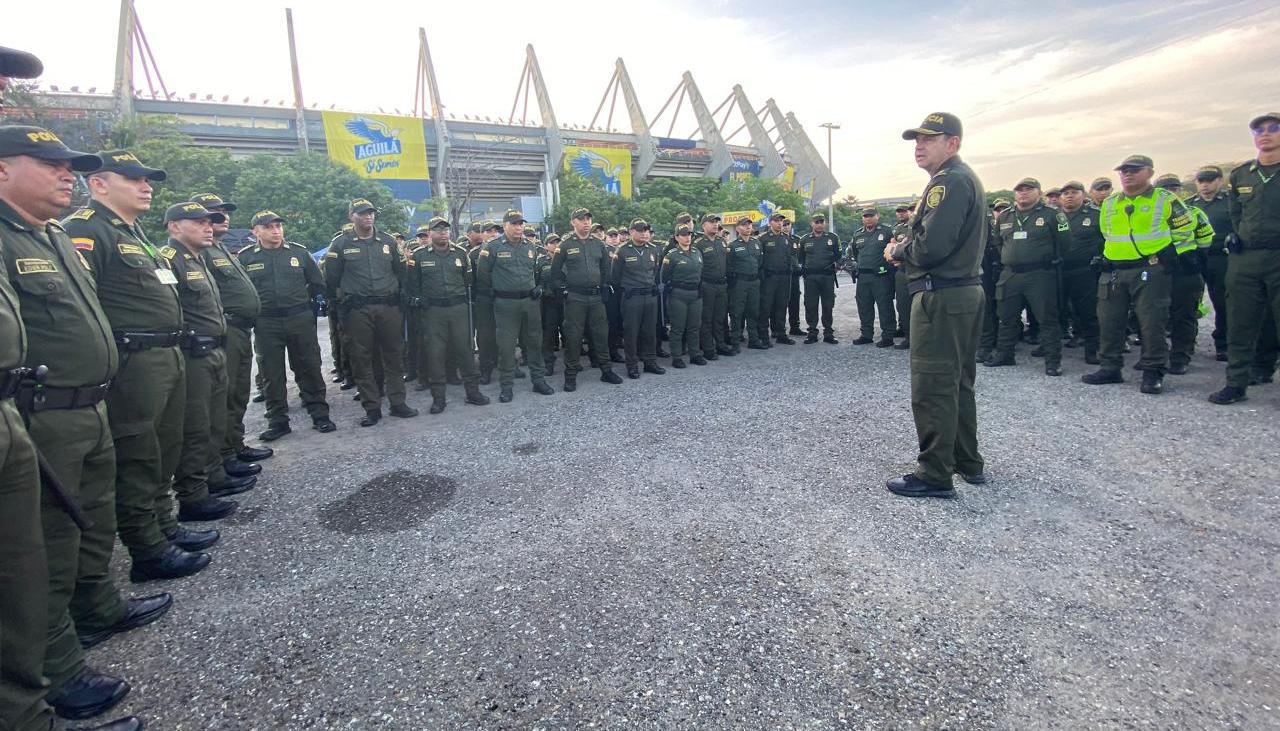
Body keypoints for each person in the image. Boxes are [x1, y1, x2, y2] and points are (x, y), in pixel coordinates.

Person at [0, 123, 164, 728]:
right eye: (49, 164)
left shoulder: (50, 237)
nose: (63, 174)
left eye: (69, 165)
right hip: (43, 411)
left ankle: (96, 610)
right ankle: (54, 674)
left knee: (84, 524)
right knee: (33, 553)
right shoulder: (34, 235)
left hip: (88, 402)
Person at [62, 151, 215, 582]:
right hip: (134, 363)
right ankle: (147, 550)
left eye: (147, 179)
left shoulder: (135, 233)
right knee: (137, 456)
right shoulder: (85, 231)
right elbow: (81, 303)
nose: (145, 186)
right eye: (132, 179)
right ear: (98, 185)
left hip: (164, 356)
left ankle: (163, 527)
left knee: (162, 450)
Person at [885, 112, 986, 498]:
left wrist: (898, 249)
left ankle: (935, 474)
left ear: (953, 143)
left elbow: (931, 247)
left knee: (933, 385)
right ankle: (966, 461)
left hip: (942, 295)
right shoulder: (960, 179)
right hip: (959, 292)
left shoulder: (949, 182)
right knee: (958, 382)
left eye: (930, 138)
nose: (920, 146)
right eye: (917, 140)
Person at [1081, 155, 1196, 395]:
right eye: (1123, 171)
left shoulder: (1165, 199)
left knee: (1151, 322)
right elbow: (1107, 234)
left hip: (1150, 268)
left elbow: (1184, 228)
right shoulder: (1111, 203)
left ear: (1150, 172)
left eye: (1134, 170)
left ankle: (1153, 371)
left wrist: (1178, 256)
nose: (1127, 174)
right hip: (1114, 270)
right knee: (1109, 320)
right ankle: (1110, 367)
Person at [159, 202, 243, 523]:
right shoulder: (169, 260)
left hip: (213, 350)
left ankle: (214, 477)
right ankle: (194, 495)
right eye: (198, 222)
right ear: (174, 226)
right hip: (193, 354)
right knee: (194, 425)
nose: (208, 227)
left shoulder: (199, 258)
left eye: (210, 222)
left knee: (212, 420)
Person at [190, 192, 271, 486]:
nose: (221, 217)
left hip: (239, 330)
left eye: (223, 212)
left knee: (237, 392)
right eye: (213, 213)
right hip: (225, 331)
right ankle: (222, 457)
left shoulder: (221, 249)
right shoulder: (199, 253)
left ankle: (234, 446)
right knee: (221, 399)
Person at [237, 211, 336, 436]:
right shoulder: (246, 258)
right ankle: (277, 421)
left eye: (278, 226)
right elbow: (242, 292)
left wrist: (309, 309)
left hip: (299, 319)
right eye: (269, 227)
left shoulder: (299, 253)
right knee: (271, 373)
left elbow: (317, 284)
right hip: (266, 322)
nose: (275, 231)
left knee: (309, 367)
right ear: (256, 232)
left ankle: (320, 414)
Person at [325, 199, 418, 425]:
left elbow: (401, 272)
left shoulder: (387, 241)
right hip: (358, 310)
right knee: (362, 358)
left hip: (388, 307)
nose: (368, 217)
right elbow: (332, 279)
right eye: (362, 213)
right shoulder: (340, 244)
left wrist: (400, 299)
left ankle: (398, 403)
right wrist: (341, 306)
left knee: (394, 356)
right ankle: (372, 407)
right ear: (351, 216)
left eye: (371, 213)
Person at [1210, 113, 1280, 404]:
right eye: (1258, 130)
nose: (1265, 134)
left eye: (1273, 128)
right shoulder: (1242, 174)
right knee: (1240, 321)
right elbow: (1236, 213)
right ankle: (1236, 382)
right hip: (1247, 257)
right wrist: (1239, 235)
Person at [986, 178, 1070, 376]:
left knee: (1047, 319)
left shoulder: (1052, 214)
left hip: (1039, 273)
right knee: (1006, 317)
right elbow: (998, 242)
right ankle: (1005, 354)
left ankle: (1052, 361)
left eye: (1028, 189)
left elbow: (1065, 242)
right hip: (1011, 274)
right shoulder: (1005, 216)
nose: (1023, 193)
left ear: (1039, 192)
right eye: (1019, 190)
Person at [406, 217, 489, 412]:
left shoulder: (461, 253)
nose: (443, 233)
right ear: (430, 233)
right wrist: (419, 302)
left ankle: (473, 393)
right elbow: (412, 286)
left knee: (465, 352)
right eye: (438, 230)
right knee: (435, 355)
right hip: (433, 311)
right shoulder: (418, 256)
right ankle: (438, 399)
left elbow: (468, 280)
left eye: (445, 230)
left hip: (458, 309)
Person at [476, 210, 555, 402]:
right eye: (515, 224)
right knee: (506, 346)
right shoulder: (492, 247)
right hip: (505, 304)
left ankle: (538, 380)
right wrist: (496, 294)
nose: (519, 227)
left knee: (534, 342)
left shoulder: (531, 247)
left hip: (530, 303)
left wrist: (539, 288)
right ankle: (507, 386)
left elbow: (538, 271)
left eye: (521, 224)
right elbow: (483, 276)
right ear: (505, 226)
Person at [550, 208, 622, 390]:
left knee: (601, 334)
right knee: (573, 337)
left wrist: (605, 286)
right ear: (573, 222)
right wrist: (564, 291)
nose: (586, 222)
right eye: (581, 219)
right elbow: (555, 273)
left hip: (596, 298)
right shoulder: (565, 246)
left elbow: (606, 269)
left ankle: (606, 371)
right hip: (575, 298)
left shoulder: (598, 244)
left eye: (588, 219)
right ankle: (571, 375)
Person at [1154, 174, 1214, 374]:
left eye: (1175, 188)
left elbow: (1205, 241)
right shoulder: (1149, 215)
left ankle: (1181, 356)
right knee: (1155, 317)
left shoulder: (1195, 213)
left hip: (1185, 270)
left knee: (1184, 316)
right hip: (1157, 270)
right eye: (1166, 189)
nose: (1172, 192)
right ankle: (1156, 356)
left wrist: (1194, 258)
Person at [1185, 166, 1233, 362]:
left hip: (1220, 257)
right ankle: (1187, 342)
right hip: (1195, 257)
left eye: (1210, 180)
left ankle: (1223, 344)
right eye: (1201, 181)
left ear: (1220, 181)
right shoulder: (1188, 206)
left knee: (1222, 301)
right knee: (1190, 301)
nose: (1205, 185)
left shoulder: (1231, 202)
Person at [611, 220, 666, 378]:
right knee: (631, 333)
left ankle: (650, 362)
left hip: (649, 296)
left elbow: (655, 272)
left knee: (649, 332)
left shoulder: (654, 250)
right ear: (631, 232)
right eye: (641, 230)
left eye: (647, 230)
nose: (644, 233)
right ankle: (632, 365)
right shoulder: (622, 251)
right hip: (632, 297)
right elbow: (615, 277)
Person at [1057, 181, 1102, 365]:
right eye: (1065, 193)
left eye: (1074, 192)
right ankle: (1049, 345)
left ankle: (1093, 349)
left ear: (1084, 195)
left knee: (1088, 312)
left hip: (1085, 270)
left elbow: (1106, 239)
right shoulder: (1055, 216)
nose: (1069, 196)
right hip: (1058, 270)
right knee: (1054, 309)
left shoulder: (1095, 215)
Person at [849, 208, 897, 346]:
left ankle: (888, 336)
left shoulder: (887, 231)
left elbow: (893, 249)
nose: (868, 218)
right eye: (865, 216)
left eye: (870, 216)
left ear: (877, 216)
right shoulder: (858, 234)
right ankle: (866, 334)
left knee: (885, 306)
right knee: (864, 306)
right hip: (863, 276)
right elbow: (856, 252)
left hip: (881, 276)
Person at [662, 225, 705, 368]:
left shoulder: (697, 252)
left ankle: (695, 354)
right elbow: (664, 276)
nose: (687, 237)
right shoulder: (672, 255)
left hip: (695, 294)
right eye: (683, 235)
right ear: (676, 237)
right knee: (678, 327)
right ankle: (677, 357)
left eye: (689, 234)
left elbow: (701, 272)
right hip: (678, 294)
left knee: (694, 326)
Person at [694, 213, 733, 359]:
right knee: (707, 318)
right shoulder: (699, 244)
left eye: (717, 222)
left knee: (720, 317)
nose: (715, 224)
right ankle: (708, 348)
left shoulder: (721, 241)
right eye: (712, 222)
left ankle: (720, 345)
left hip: (722, 285)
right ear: (703, 225)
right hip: (707, 285)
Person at [798, 212, 841, 344]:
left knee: (828, 305)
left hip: (827, 276)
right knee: (811, 305)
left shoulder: (833, 238)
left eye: (822, 222)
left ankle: (828, 333)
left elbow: (838, 255)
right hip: (811, 277)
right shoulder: (805, 239)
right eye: (817, 222)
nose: (819, 224)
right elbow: (801, 258)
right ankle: (812, 332)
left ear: (825, 223)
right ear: (812, 223)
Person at [727, 216, 765, 351]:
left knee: (753, 311)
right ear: (737, 228)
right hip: (739, 283)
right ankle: (735, 342)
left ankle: (753, 340)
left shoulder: (756, 243)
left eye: (749, 225)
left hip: (754, 282)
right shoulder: (732, 246)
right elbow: (729, 266)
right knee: (737, 313)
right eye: (744, 225)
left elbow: (759, 262)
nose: (748, 227)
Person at [976, 199, 1008, 362]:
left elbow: (995, 244)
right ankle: (983, 343)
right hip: (975, 266)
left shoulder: (982, 218)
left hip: (985, 266)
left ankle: (986, 345)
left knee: (987, 306)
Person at [757, 212, 795, 344]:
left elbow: (789, 257)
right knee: (766, 307)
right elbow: (759, 260)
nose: (779, 223)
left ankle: (781, 334)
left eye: (781, 221)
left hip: (784, 277)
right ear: (770, 222)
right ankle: (763, 335)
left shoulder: (786, 238)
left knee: (781, 306)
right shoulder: (763, 238)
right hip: (769, 278)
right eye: (776, 221)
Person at [891, 204, 913, 349]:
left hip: (917, 270)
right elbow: (893, 246)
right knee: (903, 305)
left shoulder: (920, 226)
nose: (902, 214)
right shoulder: (898, 228)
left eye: (905, 211)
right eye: (898, 212)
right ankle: (908, 336)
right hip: (902, 270)